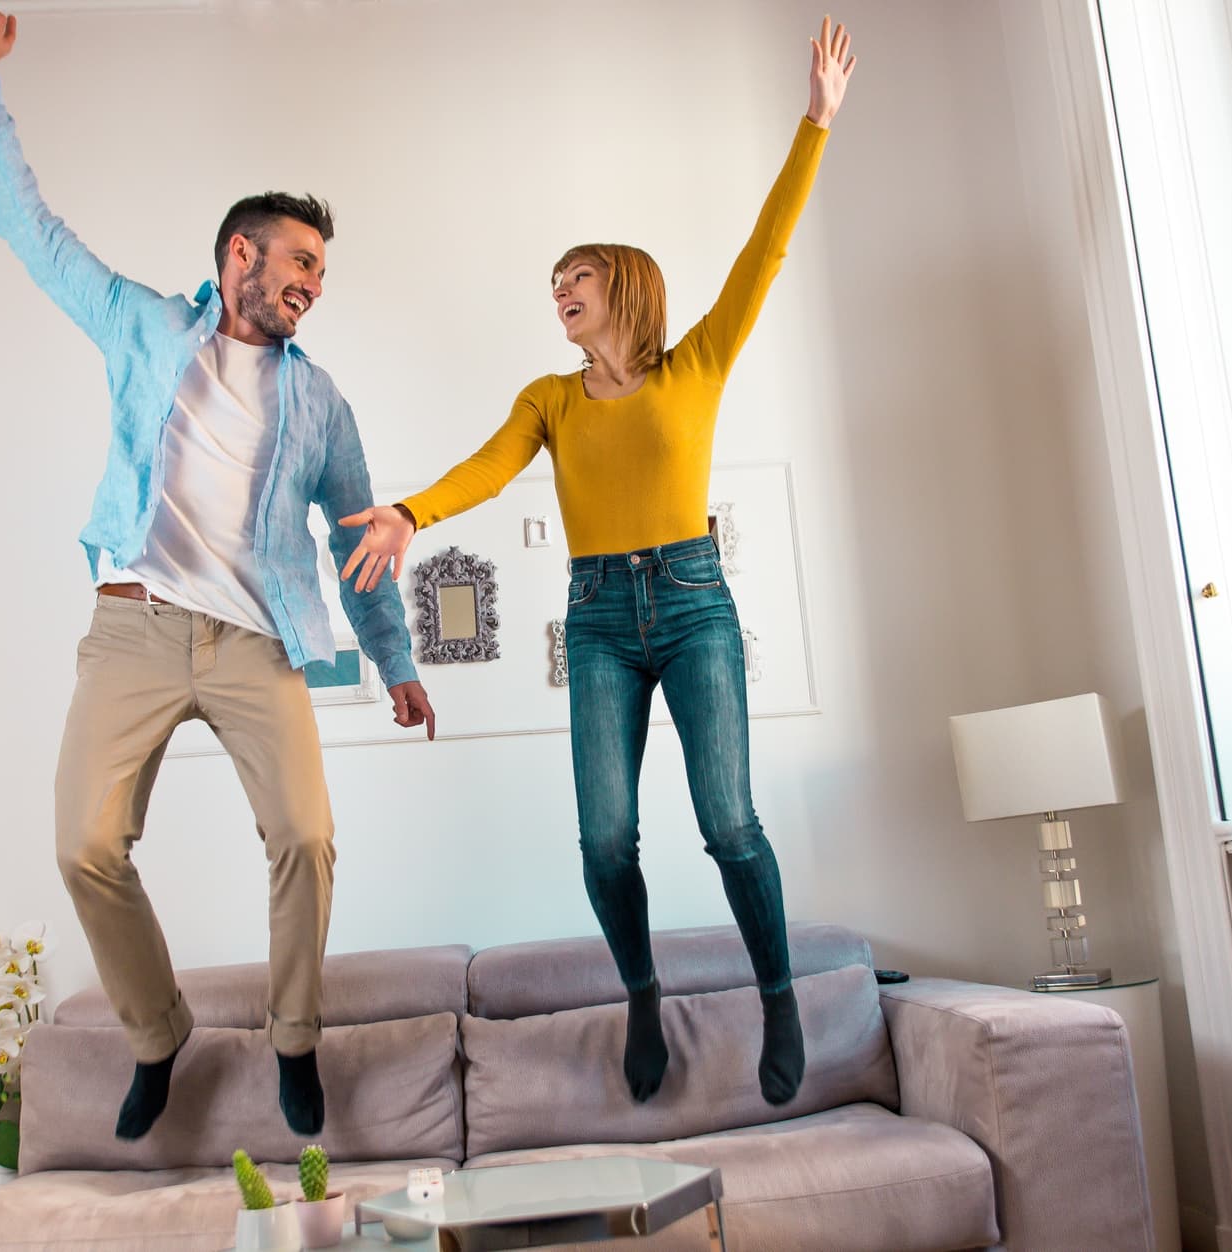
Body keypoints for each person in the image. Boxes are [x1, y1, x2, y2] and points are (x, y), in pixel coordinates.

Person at [338, 16, 856, 1105]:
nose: (560, 291)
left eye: (578, 277)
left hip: (694, 600)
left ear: (625, 287)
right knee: (606, 837)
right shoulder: (550, 398)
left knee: (730, 824)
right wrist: (408, 514)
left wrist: (814, 125)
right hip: (600, 617)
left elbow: (765, 249)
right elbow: (487, 465)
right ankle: (640, 990)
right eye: (554, 282)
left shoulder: (697, 364)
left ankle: (775, 993)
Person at [0, 8, 436, 1140]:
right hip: (136, 625)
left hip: (257, 643)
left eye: (322, 269)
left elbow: (364, 538)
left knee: (306, 838)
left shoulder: (320, 402)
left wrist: (395, 659)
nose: (314, 282)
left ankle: (295, 1039)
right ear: (239, 257)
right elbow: (35, 231)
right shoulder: (138, 326)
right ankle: (158, 1034)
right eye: (300, 261)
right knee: (83, 843)